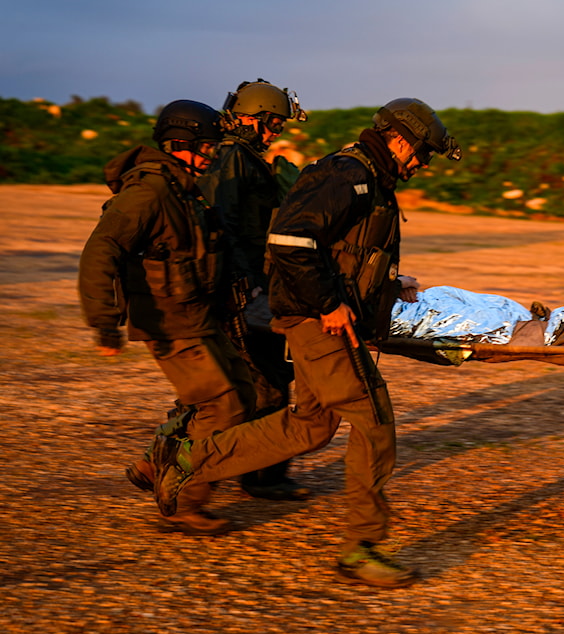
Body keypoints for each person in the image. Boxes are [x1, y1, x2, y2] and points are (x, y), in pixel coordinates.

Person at [147, 98, 462, 588]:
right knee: (374, 421)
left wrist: (385, 283)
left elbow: (340, 251)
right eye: (422, 153)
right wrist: (327, 304)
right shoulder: (349, 176)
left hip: (319, 316)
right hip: (319, 321)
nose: (422, 164)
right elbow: (290, 241)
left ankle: (191, 460)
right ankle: (361, 547)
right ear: (399, 140)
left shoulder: (369, 179)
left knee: (310, 426)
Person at [78, 100, 256, 536]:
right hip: (169, 321)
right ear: (179, 145)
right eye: (207, 148)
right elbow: (101, 249)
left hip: (197, 315)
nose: (213, 156)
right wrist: (104, 320)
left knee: (245, 392)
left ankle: (153, 462)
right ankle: (183, 503)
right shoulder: (151, 191)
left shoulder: (183, 186)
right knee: (222, 408)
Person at [199, 78, 311, 501]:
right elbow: (222, 227)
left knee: (270, 381)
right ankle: (251, 475)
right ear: (251, 118)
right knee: (258, 387)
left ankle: (261, 474)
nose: (273, 134)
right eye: (273, 124)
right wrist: (244, 286)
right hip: (239, 292)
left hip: (253, 288)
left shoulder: (244, 159)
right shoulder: (230, 160)